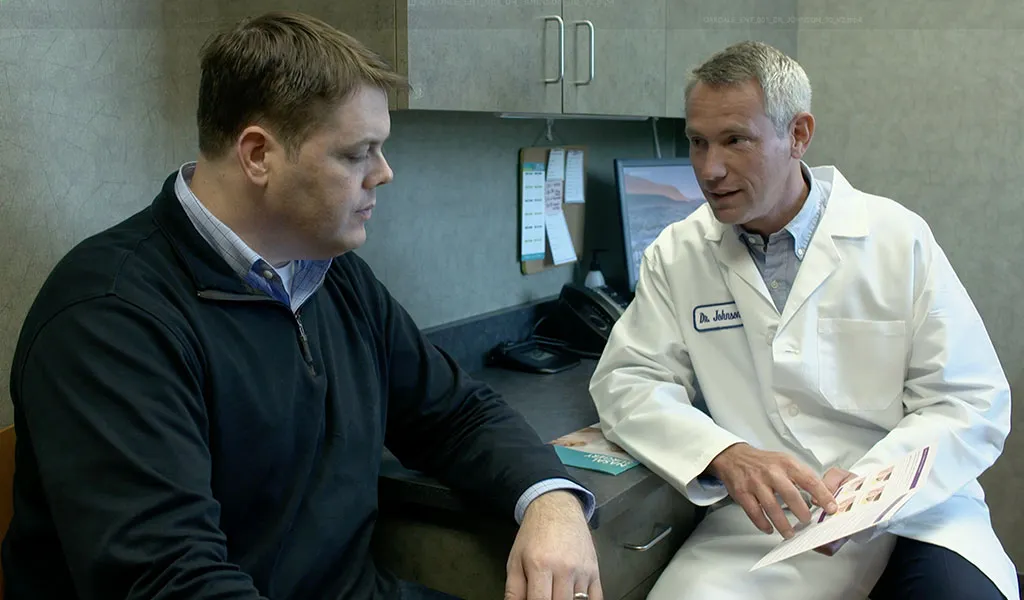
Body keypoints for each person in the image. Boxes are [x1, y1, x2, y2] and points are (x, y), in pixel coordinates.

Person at [1, 11, 603, 600]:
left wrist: (550, 500)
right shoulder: (109, 320)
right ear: (258, 154)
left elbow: (454, 413)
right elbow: (169, 578)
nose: (384, 174)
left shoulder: (332, 276)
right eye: (356, 153)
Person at [588, 40, 1018, 600]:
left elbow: (970, 399)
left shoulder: (896, 238)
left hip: (915, 512)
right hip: (763, 530)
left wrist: (873, 486)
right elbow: (627, 381)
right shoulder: (679, 252)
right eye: (697, 142)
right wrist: (724, 453)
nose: (709, 169)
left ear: (798, 135)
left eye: (735, 140)